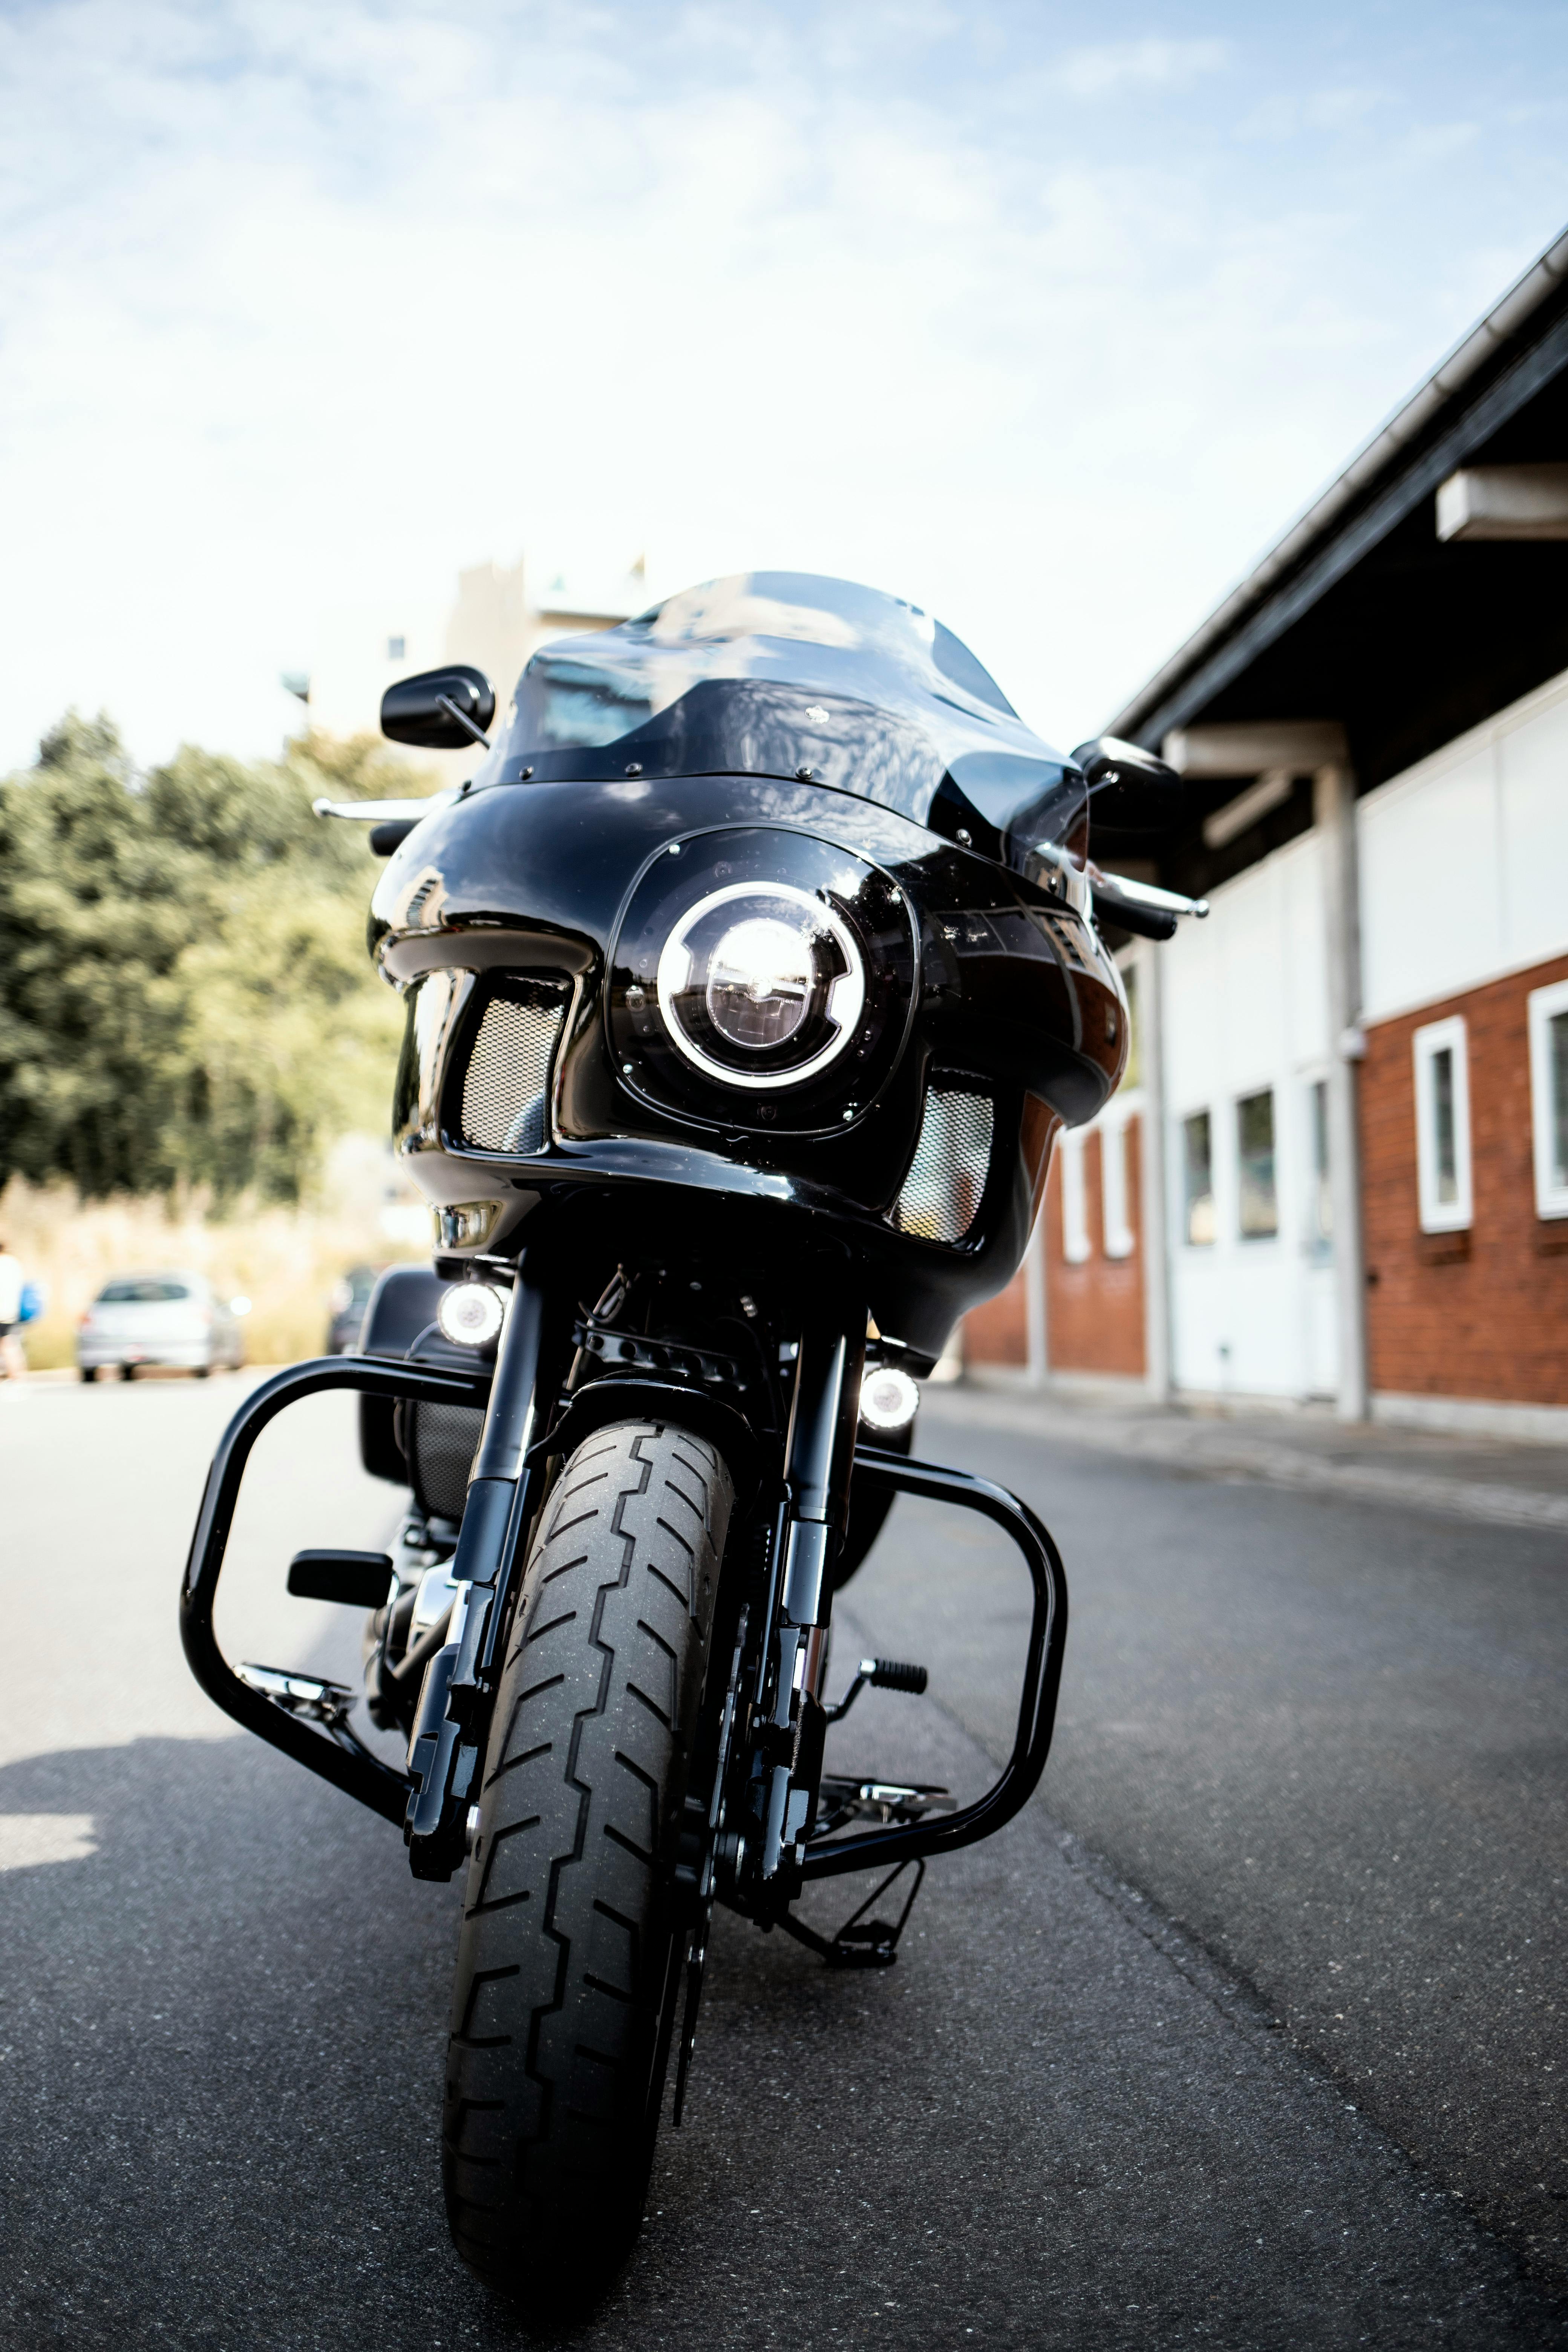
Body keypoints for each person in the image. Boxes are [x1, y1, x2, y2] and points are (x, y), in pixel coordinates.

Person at [0, 1240, 25, 1381]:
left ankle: (14, 1373)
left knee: (7, 1343)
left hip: (2, 1311)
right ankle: (16, 1372)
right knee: (9, 1341)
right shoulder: (14, 1263)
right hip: (11, 1310)